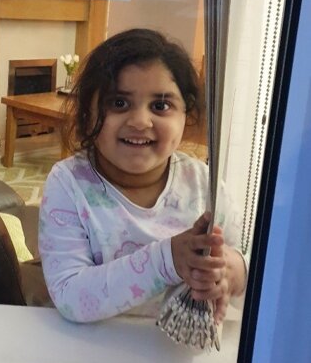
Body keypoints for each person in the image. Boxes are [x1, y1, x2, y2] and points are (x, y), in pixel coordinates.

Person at [39, 29, 247, 323]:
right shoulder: (68, 184)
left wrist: (233, 271)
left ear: (186, 114)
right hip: (94, 344)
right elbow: (69, 295)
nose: (139, 121)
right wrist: (168, 260)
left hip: (178, 348)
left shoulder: (204, 184)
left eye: (160, 106)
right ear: (87, 114)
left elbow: (254, 265)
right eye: (119, 103)